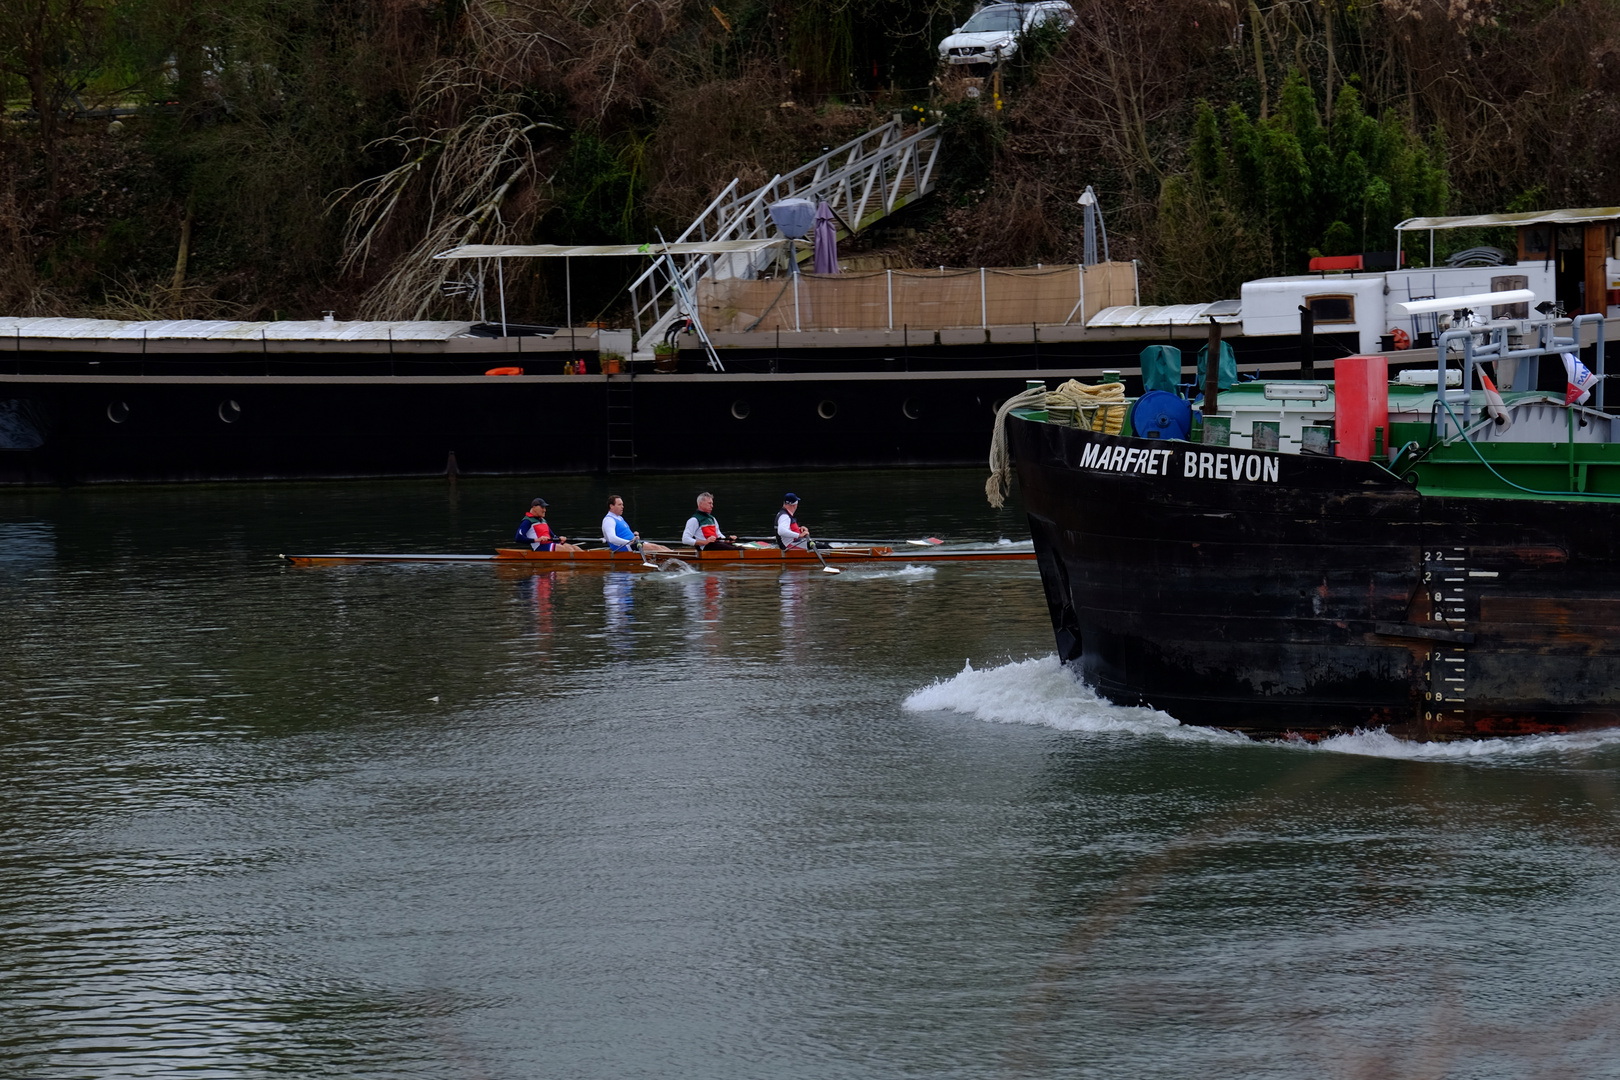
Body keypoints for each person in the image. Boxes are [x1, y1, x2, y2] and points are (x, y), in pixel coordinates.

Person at [602, 495, 669, 554]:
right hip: (623, 547)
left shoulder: (619, 518)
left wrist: (634, 535)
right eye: (619, 505)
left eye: (622, 504)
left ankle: (676, 557)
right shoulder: (609, 520)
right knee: (654, 548)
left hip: (633, 544)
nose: (622, 507)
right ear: (611, 506)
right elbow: (611, 538)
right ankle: (675, 559)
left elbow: (623, 534)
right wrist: (629, 542)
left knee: (662, 547)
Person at [515, 498, 581, 552]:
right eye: (542, 507)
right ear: (534, 507)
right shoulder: (527, 521)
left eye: (545, 508)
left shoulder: (543, 520)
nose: (544, 510)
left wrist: (559, 538)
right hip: (540, 547)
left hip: (550, 544)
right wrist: (537, 540)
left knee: (574, 548)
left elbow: (553, 536)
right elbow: (518, 538)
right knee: (568, 550)